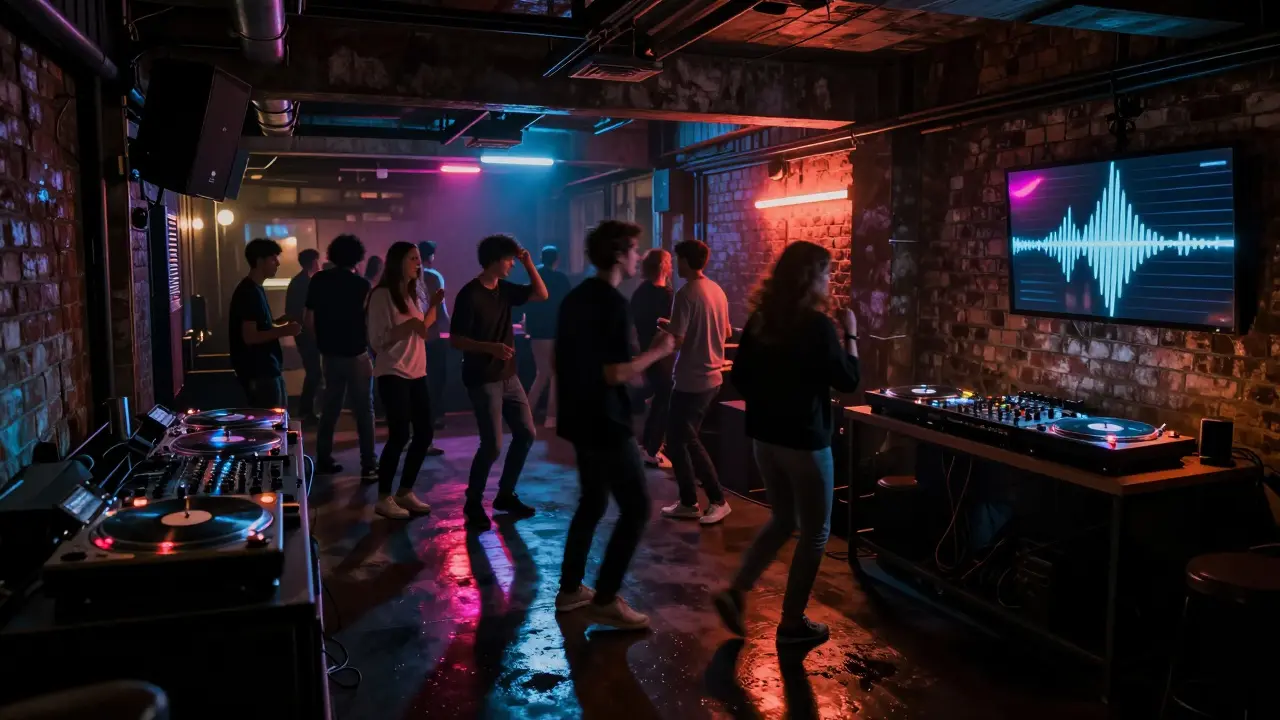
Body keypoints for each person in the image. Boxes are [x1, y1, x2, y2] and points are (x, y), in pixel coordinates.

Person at [713, 241, 861, 647]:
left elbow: (740, 378)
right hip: (806, 444)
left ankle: (736, 590)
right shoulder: (816, 325)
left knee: (782, 520)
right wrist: (851, 334)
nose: (829, 280)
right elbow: (848, 380)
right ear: (811, 277)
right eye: (826, 273)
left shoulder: (761, 320)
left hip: (766, 438)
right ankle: (792, 622)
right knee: (815, 533)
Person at [555, 220, 676, 629]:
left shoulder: (577, 298)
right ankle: (605, 599)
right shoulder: (611, 302)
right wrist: (657, 352)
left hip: (579, 416)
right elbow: (614, 373)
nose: (640, 256)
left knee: (592, 502)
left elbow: (565, 360)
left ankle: (571, 589)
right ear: (620, 254)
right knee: (637, 507)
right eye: (635, 249)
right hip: (606, 420)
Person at [450, 234, 548, 526]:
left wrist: (530, 264)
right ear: (493, 261)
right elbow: (456, 340)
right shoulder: (470, 294)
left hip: (509, 376)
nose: (511, 265)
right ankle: (473, 502)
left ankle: (505, 494)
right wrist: (489, 347)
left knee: (527, 433)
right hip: (483, 377)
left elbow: (541, 294)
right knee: (492, 444)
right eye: (509, 260)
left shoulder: (503, 290)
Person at [367, 242, 446, 520]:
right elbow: (378, 340)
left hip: (416, 372)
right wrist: (407, 327)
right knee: (399, 434)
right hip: (393, 373)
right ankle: (383, 496)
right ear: (398, 261)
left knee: (424, 433)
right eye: (412, 258)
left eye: (418, 258)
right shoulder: (382, 296)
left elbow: (422, 329)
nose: (418, 263)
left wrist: (434, 305)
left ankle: (405, 490)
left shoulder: (412, 294)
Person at [661, 240, 733, 526]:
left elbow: (677, 340)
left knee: (684, 438)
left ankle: (717, 500)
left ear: (686, 261)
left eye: (678, 259)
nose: (676, 265)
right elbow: (725, 330)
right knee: (679, 441)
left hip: (692, 378)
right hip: (713, 377)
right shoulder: (717, 291)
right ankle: (689, 501)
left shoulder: (686, 293)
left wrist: (663, 328)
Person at [305, 234, 378, 480]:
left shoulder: (319, 280)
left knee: (330, 409)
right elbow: (369, 323)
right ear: (358, 256)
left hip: (331, 355)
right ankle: (369, 464)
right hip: (357, 354)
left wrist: (323, 345)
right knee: (364, 411)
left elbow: (309, 320)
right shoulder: (362, 284)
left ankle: (324, 459)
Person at [229, 239, 300, 407]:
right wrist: (285, 331)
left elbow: (260, 328)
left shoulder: (255, 289)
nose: (278, 263)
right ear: (260, 261)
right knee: (270, 426)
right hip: (260, 372)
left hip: (267, 370)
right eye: (273, 259)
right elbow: (250, 336)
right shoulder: (248, 292)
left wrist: (279, 323)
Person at [630, 249, 674, 469]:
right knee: (664, 398)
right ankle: (651, 449)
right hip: (662, 354)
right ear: (664, 266)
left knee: (658, 397)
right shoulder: (666, 295)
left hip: (648, 352)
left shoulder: (640, 292)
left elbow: (634, 324)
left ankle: (646, 444)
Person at [522, 245, 572, 429]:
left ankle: (526, 413)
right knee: (555, 374)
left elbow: (525, 302)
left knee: (542, 373)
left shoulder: (533, 277)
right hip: (554, 332)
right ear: (557, 260)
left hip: (536, 332)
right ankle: (551, 416)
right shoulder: (560, 279)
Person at [417, 241, 450, 451]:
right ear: (431, 256)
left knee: (418, 386)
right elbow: (440, 308)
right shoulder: (433, 276)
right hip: (432, 337)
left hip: (413, 340)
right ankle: (433, 421)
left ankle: (415, 431)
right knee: (435, 381)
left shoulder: (408, 277)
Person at [285, 248, 323, 422]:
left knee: (313, 371)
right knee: (314, 371)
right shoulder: (305, 283)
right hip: (306, 334)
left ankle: (306, 409)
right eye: (317, 260)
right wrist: (314, 333)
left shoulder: (299, 281)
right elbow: (305, 312)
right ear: (313, 262)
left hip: (303, 333)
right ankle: (306, 411)